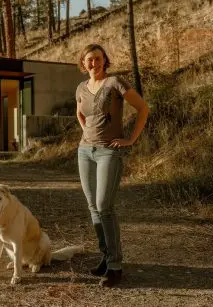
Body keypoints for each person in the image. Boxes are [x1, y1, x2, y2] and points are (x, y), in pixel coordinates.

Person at [75, 44, 149, 287]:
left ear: (104, 60)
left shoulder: (115, 82)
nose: (93, 63)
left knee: (104, 206)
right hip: (85, 151)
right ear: (83, 63)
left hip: (109, 152)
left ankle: (116, 266)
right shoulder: (81, 88)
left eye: (97, 58)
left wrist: (131, 139)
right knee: (92, 207)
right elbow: (80, 112)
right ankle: (106, 258)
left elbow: (142, 108)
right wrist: (86, 131)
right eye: (89, 60)